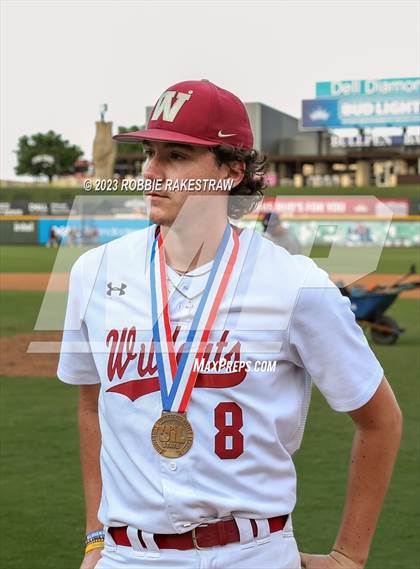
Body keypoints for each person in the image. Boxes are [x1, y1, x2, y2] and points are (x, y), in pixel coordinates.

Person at [57, 80, 402, 569]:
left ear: (231, 171)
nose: (150, 172)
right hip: (128, 556)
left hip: (253, 552)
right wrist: (96, 537)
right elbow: (92, 407)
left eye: (176, 156)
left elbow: (380, 420)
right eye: (149, 153)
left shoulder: (295, 284)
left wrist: (349, 554)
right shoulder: (94, 272)